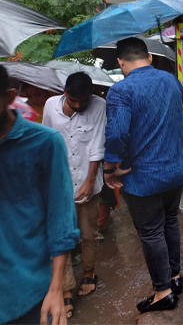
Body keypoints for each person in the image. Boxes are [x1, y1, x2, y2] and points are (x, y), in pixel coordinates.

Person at [103, 37, 183, 313]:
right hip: (175, 169)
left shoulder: (121, 91)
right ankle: (174, 277)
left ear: (120, 62)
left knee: (151, 232)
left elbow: (116, 134)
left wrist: (110, 168)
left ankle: (163, 292)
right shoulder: (172, 81)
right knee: (170, 223)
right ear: (149, 57)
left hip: (143, 177)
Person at [0, 64, 80, 325]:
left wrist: (56, 289)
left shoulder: (44, 142)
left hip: (28, 291)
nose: (37, 99)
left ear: (10, 97)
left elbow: (60, 221)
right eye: (33, 95)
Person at [43, 72, 106, 319]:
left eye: (83, 101)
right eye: (73, 100)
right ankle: (66, 287)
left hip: (87, 181)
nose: (78, 105)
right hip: (58, 183)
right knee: (62, 236)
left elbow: (97, 144)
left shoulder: (99, 106)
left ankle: (89, 273)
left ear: (91, 95)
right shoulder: (50, 105)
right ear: (64, 92)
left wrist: (91, 181)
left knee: (89, 232)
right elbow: (47, 141)